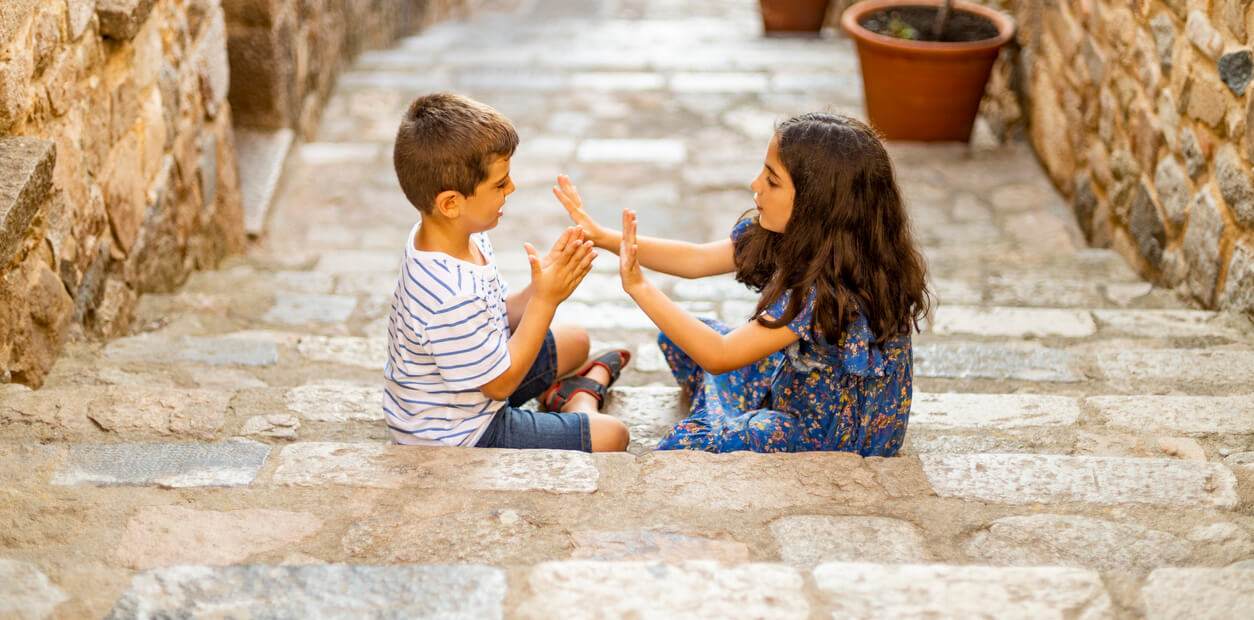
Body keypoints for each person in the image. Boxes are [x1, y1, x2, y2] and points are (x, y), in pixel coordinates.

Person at [554, 112, 928, 454]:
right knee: (682, 336)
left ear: (816, 204)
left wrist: (639, 287)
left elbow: (720, 357)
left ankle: (600, 403)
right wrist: (602, 237)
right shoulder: (803, 237)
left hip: (829, 435)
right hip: (800, 383)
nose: (755, 184)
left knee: (685, 443)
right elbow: (697, 259)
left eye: (772, 179)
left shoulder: (824, 291)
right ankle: (725, 410)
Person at [385, 93, 630, 452]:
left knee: (576, 340)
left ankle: (561, 396)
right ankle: (578, 400)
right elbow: (499, 386)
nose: (511, 189)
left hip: (476, 384)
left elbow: (499, 312)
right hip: (461, 433)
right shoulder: (451, 295)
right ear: (451, 203)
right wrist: (546, 300)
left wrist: (538, 285)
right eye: (500, 184)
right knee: (614, 436)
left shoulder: (458, 237)